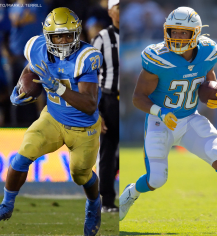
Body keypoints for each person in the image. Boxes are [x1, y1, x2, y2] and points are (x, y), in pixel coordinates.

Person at [118, 6, 217, 230]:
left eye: (184, 32)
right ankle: (130, 193)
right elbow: (137, 98)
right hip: (160, 123)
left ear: (195, 34)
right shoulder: (157, 57)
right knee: (156, 180)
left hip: (190, 118)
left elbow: (210, 86)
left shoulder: (208, 52)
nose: (178, 37)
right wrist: (161, 112)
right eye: (174, 31)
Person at [0, 8, 103, 236]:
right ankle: (7, 205)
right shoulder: (36, 47)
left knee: (81, 174)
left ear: (77, 33)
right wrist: (20, 87)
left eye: (69, 35)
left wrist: (57, 86)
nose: (65, 40)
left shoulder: (87, 57)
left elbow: (89, 104)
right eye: (59, 35)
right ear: (48, 36)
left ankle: (94, 204)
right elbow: (31, 68)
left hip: (83, 126)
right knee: (22, 155)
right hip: (53, 117)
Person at [91, 0, 120, 213]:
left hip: (135, 101)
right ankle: (107, 201)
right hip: (110, 100)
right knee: (108, 151)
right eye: (119, 7)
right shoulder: (102, 38)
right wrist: (97, 111)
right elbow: (90, 76)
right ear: (110, 11)